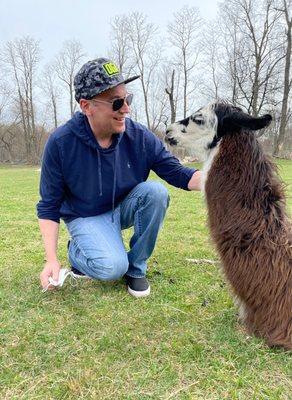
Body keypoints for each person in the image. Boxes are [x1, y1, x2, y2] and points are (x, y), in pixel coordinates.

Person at [37, 57, 201, 298]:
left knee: (156, 193)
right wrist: (51, 259)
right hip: (85, 216)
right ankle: (77, 252)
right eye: (116, 103)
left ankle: (135, 269)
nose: (126, 108)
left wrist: (222, 180)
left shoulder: (138, 136)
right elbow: (49, 205)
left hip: (122, 207)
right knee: (112, 267)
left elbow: (178, 173)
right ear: (86, 106)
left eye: (127, 99)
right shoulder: (61, 143)